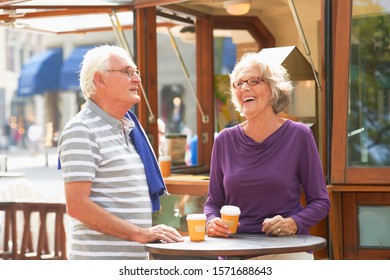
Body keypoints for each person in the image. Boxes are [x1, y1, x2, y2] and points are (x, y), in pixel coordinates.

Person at [58, 45, 183, 260]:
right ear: (100, 79)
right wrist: (140, 234)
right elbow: (77, 206)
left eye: (136, 72)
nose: (137, 79)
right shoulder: (81, 129)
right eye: (127, 72)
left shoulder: (129, 128)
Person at [203, 52, 330, 260]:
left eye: (254, 81)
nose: (244, 88)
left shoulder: (299, 135)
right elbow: (213, 202)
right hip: (234, 253)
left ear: (273, 89)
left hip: (286, 251)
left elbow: (321, 202)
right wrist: (212, 220)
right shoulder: (224, 140)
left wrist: (292, 223)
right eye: (238, 84)